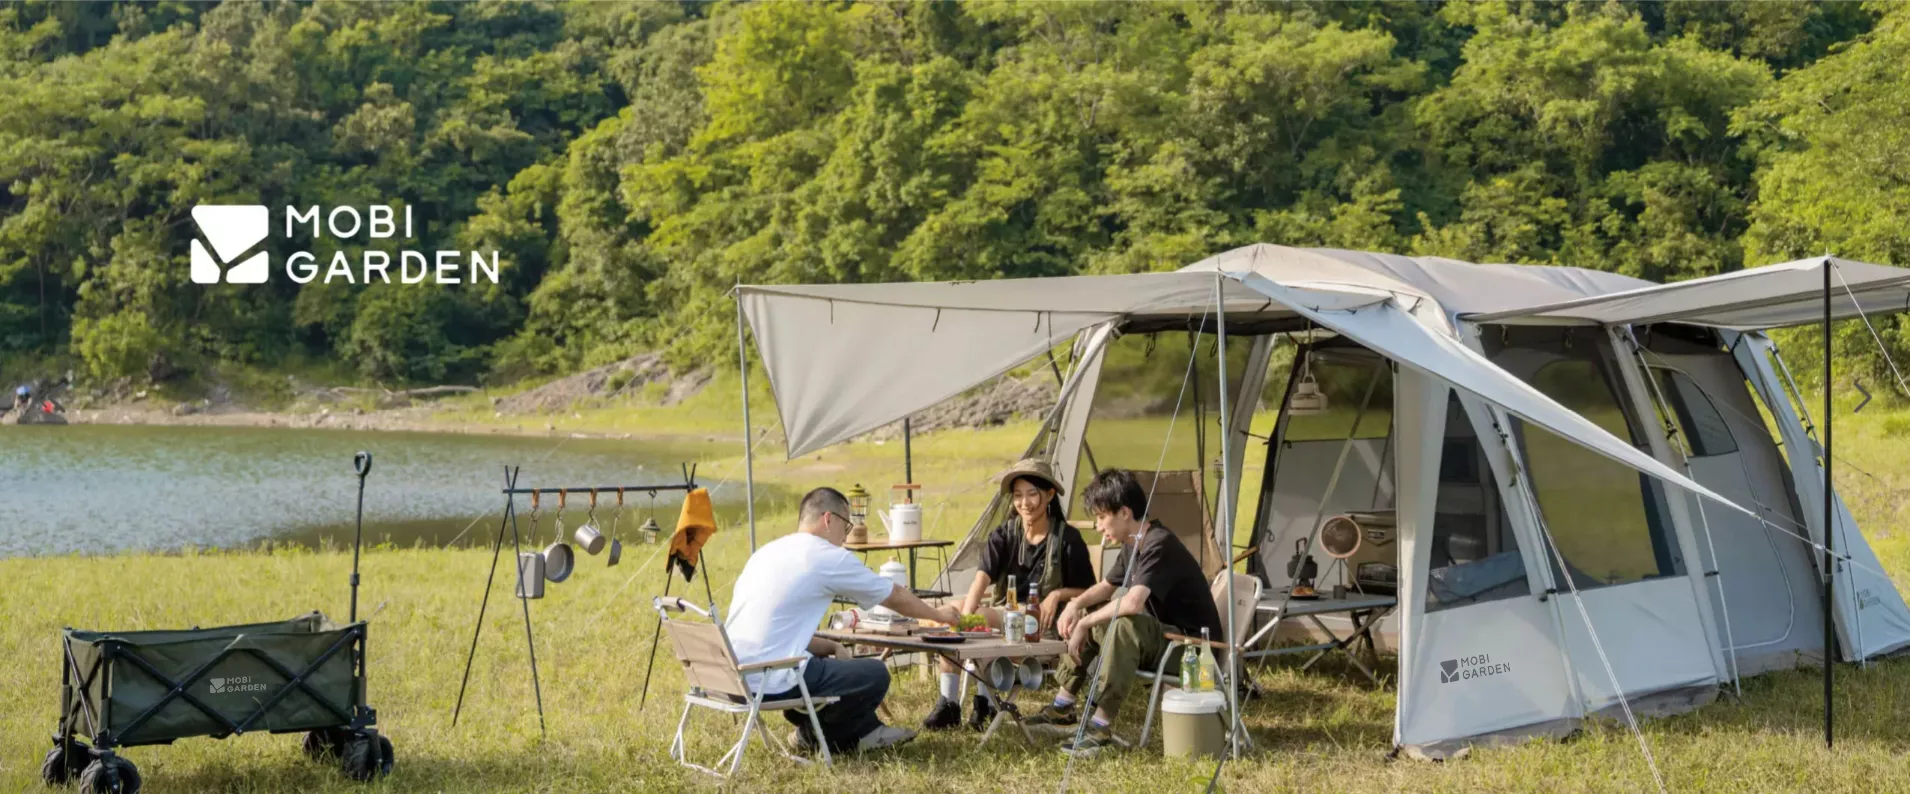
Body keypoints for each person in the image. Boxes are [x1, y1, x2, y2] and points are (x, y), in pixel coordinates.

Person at [725, 486, 962, 756]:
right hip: (770, 681)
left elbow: (777, 633)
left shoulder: (766, 552)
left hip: (732, 677)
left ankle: (846, 730)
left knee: (832, 670)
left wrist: (831, 646)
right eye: (846, 526)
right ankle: (833, 734)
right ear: (828, 519)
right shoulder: (825, 555)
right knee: (874, 674)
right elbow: (893, 595)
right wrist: (938, 614)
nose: (845, 537)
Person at [1026, 468, 1222, 756]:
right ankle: (1061, 708)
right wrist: (1076, 605)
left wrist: (1084, 622)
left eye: (1101, 517)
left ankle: (1100, 726)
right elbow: (1106, 587)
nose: (1097, 526)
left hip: (1193, 651)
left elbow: (1132, 603)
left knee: (1123, 625)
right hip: (1168, 639)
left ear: (1125, 513)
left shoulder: (1159, 543)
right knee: (1100, 617)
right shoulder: (1134, 544)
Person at [924, 457, 1096, 731]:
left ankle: (984, 702)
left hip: (1043, 627)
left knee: (977, 616)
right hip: (1006, 615)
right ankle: (949, 704)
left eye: (1032, 494)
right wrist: (963, 619)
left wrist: (1057, 594)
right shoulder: (1004, 534)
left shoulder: (1067, 539)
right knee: (953, 611)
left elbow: (1089, 590)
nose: (1024, 503)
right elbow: (981, 579)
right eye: (1017, 495)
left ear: (1050, 495)